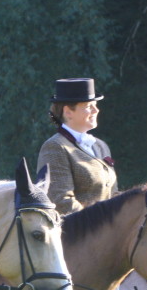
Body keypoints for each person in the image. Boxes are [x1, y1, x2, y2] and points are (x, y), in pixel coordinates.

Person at [36, 78, 117, 215]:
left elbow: (113, 195)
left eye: (95, 105)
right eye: (88, 106)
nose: (95, 110)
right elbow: (61, 201)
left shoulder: (101, 146)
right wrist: (101, 223)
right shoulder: (55, 147)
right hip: (76, 232)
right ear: (68, 112)